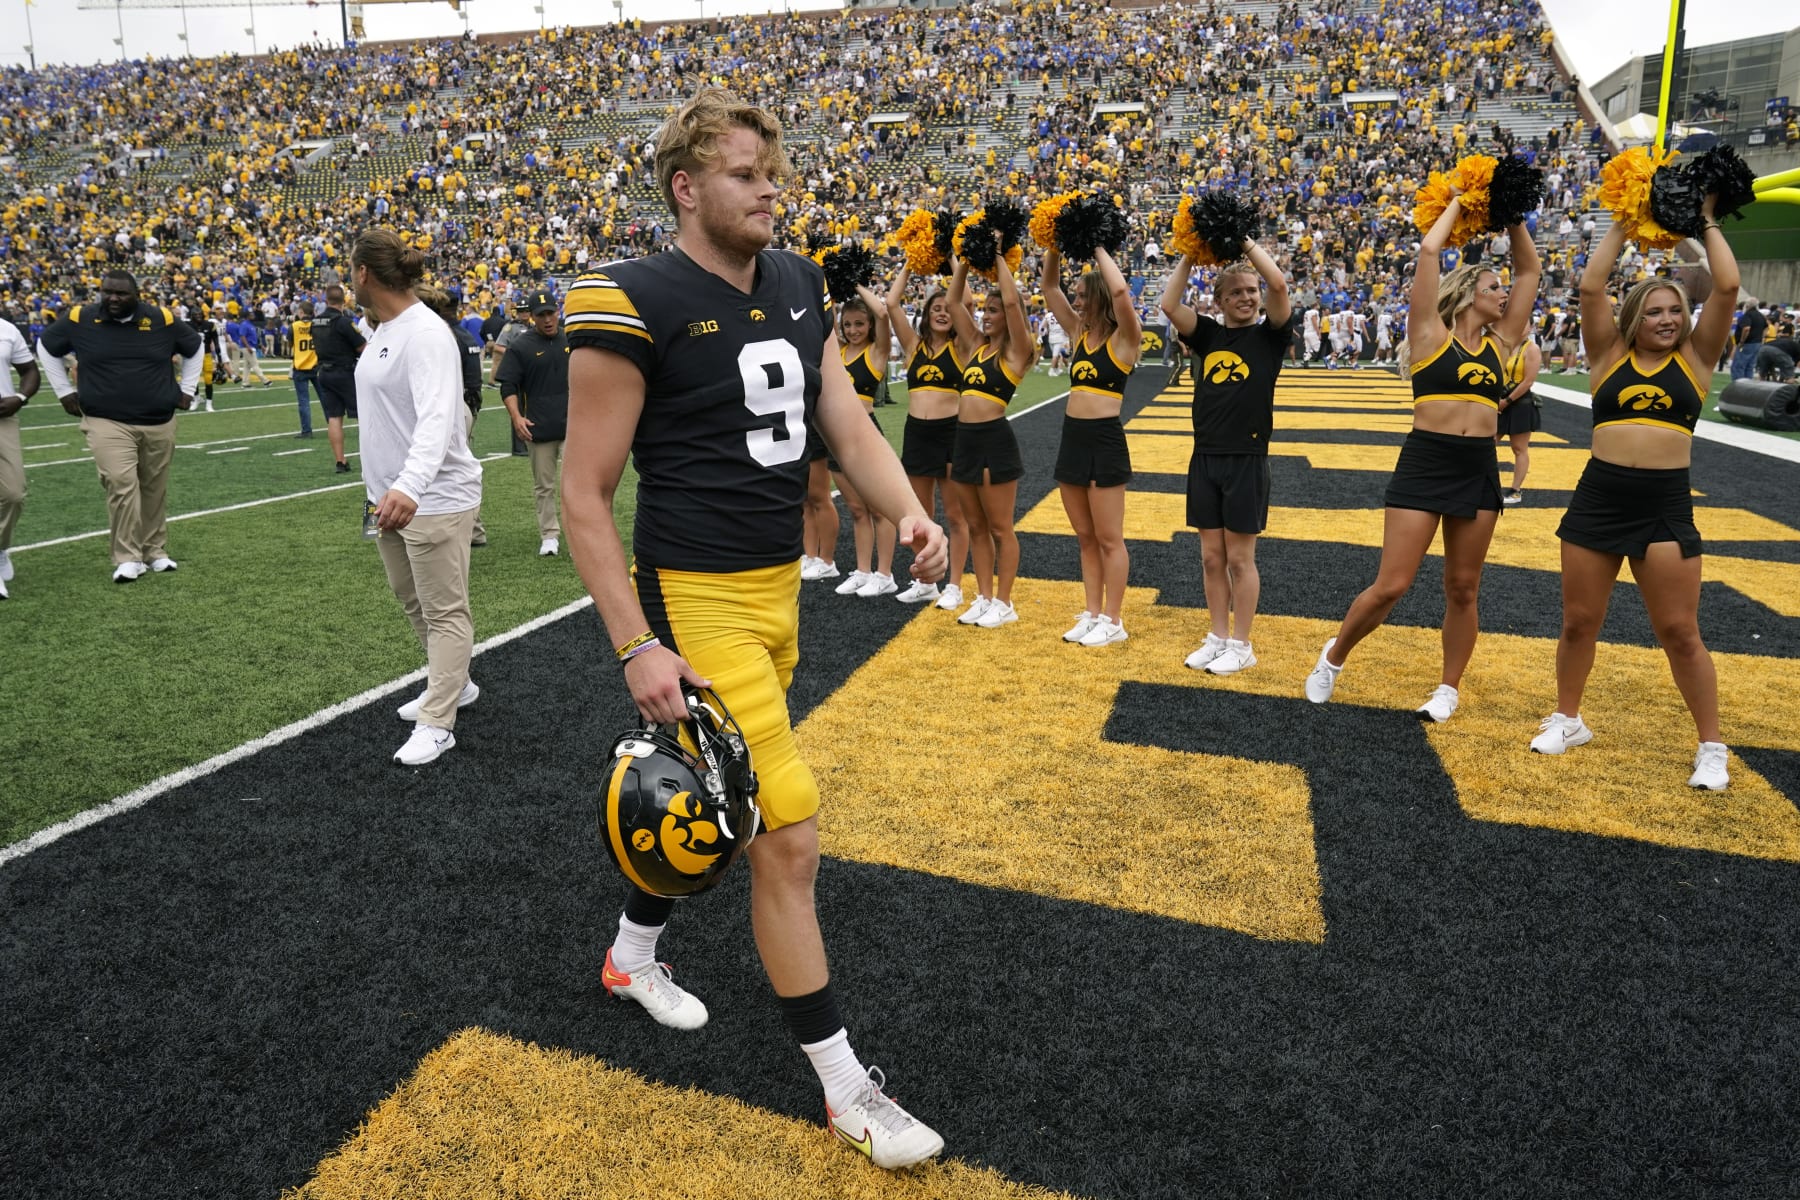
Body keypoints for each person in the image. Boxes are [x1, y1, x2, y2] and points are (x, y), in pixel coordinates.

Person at [559, 88, 947, 1171]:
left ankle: (633, 956)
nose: (769, 188)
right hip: (695, 594)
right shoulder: (629, 297)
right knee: (788, 831)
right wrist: (638, 642)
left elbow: (846, 419)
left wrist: (908, 510)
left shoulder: (796, 280)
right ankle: (846, 1086)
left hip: (780, 586)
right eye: (743, 173)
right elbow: (586, 496)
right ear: (687, 189)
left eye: (773, 171)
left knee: (722, 807)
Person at [1305, 187, 1541, 720]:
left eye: (1501, 288)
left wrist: (1509, 217)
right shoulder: (1430, 334)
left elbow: (1529, 274)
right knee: (1392, 584)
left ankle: (1447, 688)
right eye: (1491, 286)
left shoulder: (1502, 344)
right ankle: (1334, 658)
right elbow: (1429, 253)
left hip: (1478, 466)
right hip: (1426, 460)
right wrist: (1461, 199)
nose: (1502, 294)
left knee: (1463, 586)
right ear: (1465, 295)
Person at [1529, 196, 1740, 790]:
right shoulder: (1607, 357)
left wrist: (1703, 218)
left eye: (1676, 310)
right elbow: (1592, 286)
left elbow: (1726, 285)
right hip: (1599, 498)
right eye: (1655, 312)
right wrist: (1628, 215)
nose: (1668, 320)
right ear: (1634, 320)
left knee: (1679, 631)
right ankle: (1568, 719)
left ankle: (1712, 746)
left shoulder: (1698, 359)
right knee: (1578, 622)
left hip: (1664, 505)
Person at [351, 229, 484, 767]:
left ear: (363, 273)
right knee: (412, 600)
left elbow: (437, 419)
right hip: (388, 497)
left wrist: (410, 485)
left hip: (432, 496)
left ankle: (439, 721)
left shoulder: (426, 334)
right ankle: (456, 684)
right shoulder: (387, 326)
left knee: (444, 610)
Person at [1159, 238, 1293, 675]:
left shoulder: (1270, 336)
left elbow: (1277, 282)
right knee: (1211, 557)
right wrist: (1189, 253)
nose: (1246, 297)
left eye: (1250, 291)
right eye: (1235, 292)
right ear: (1218, 301)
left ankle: (1242, 642)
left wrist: (1245, 244)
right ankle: (1218, 636)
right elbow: (1168, 303)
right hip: (1206, 457)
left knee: (1239, 558)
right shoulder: (1209, 335)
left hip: (1246, 457)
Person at [36, 271, 203, 583]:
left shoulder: (161, 319)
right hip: (106, 418)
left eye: (121, 294)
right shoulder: (79, 318)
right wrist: (63, 391)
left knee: (153, 488)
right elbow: (46, 345)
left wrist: (188, 389)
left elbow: (195, 347)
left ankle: (154, 551)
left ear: (136, 294)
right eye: (107, 292)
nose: (113, 298)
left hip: (158, 419)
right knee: (120, 481)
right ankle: (127, 557)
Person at [1041, 244, 1140, 646]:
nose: (1076, 300)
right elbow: (1049, 287)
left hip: (1104, 440)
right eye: (1076, 295)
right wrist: (1053, 242)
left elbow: (1120, 295)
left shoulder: (1125, 338)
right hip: (1073, 439)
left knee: (1108, 538)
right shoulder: (1079, 334)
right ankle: (1093, 611)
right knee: (1084, 536)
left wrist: (1095, 245)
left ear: (1097, 296)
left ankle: (1114, 620)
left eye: (1082, 294)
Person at [946, 251, 1036, 628]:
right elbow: (953, 301)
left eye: (993, 310)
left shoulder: (1017, 351)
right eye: (985, 308)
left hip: (994, 440)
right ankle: (983, 597)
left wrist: (996, 256)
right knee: (977, 526)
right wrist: (965, 258)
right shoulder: (975, 346)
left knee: (1000, 527)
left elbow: (1013, 299)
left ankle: (1005, 601)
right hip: (963, 440)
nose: (986, 314)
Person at [884, 263, 971, 608]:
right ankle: (925, 582)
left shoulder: (962, 347)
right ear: (925, 315)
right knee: (920, 515)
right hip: (916, 433)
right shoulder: (913, 346)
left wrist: (954, 262)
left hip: (950, 434)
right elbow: (891, 304)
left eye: (947, 309)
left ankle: (955, 585)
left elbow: (963, 300)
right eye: (935, 308)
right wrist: (908, 262)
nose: (942, 312)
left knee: (955, 515)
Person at [826, 287, 899, 597]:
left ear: (868, 325)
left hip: (865, 432)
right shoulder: (837, 352)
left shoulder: (877, 353)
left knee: (879, 509)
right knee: (856, 509)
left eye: (859, 324)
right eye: (848, 325)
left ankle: (885, 574)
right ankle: (862, 570)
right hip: (835, 435)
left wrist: (853, 283)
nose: (853, 330)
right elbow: (824, 316)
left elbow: (883, 313)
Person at [496, 290, 571, 557]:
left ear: (558, 311)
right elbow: (508, 385)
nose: (548, 319)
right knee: (544, 486)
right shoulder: (521, 345)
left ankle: (577, 536)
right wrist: (516, 416)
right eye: (542, 315)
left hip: (574, 425)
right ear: (532, 317)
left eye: (551, 313)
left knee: (576, 485)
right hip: (539, 426)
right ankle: (549, 535)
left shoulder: (571, 337)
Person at [420, 285, 490, 548]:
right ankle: (474, 529)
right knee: (461, 466)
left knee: (452, 469)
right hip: (467, 405)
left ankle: (470, 529)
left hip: (453, 407)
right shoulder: (464, 334)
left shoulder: (445, 336)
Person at [0, 315, 43, 600]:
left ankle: (1, 547)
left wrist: (20, 397)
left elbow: (30, 371)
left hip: (3, 419)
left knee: (14, 493)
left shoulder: (6, 329)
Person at [312, 283, 367, 473]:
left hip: (324, 373)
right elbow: (362, 347)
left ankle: (340, 461)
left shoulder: (315, 322)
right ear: (343, 301)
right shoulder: (343, 322)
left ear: (326, 300)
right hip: (345, 372)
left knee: (334, 418)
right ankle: (371, 459)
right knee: (364, 415)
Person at [1497, 324, 1542, 505]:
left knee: (1519, 448)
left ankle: (1516, 490)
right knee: (1487, 442)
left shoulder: (1531, 349)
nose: (1520, 327)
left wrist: (1506, 401)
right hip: (1502, 401)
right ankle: (1482, 482)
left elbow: (1528, 381)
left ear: (1530, 327)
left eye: (1524, 324)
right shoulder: (1506, 345)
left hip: (1520, 404)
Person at [289, 298, 317, 439]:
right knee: (325, 399)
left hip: (300, 366)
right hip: (315, 365)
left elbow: (289, 344)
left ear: (301, 312)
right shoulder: (316, 325)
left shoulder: (294, 326)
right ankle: (333, 426)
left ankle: (307, 431)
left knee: (303, 401)